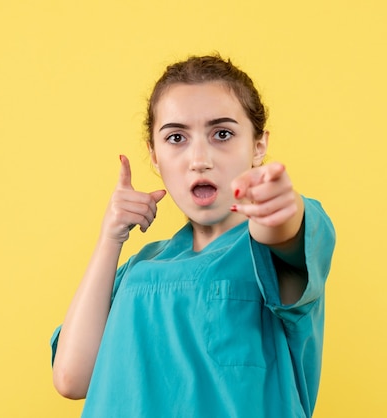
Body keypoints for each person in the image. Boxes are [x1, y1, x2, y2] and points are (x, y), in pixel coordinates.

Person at [51, 54, 336, 417]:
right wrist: (110, 238)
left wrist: (279, 204)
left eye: (222, 134)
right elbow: (71, 378)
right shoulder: (141, 265)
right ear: (154, 156)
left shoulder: (266, 251)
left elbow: (282, 230)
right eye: (176, 137)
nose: (199, 158)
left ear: (258, 146)